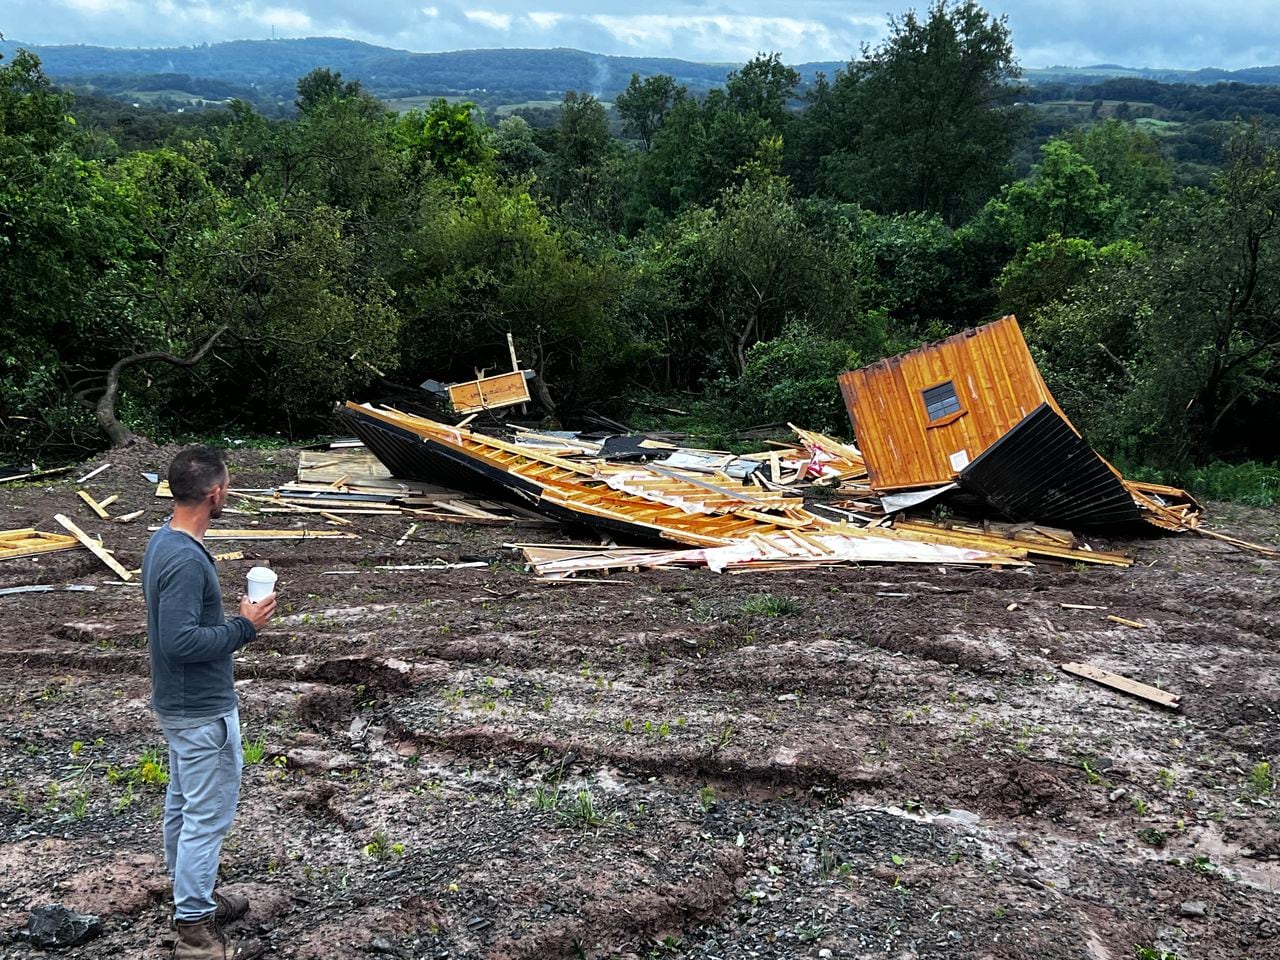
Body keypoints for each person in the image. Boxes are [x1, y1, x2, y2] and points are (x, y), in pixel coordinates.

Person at [143, 446, 276, 960]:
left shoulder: (164, 540)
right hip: (199, 708)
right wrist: (245, 626)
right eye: (229, 488)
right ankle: (195, 932)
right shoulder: (183, 560)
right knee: (206, 815)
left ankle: (189, 893)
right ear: (215, 493)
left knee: (183, 801)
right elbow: (180, 641)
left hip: (180, 704)